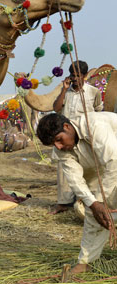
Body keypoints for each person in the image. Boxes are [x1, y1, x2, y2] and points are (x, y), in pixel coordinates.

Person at [37, 112, 117, 274]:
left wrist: (100, 200)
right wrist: (94, 203)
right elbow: (75, 180)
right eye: (54, 144)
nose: (58, 146)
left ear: (67, 127)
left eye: (59, 140)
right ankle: (86, 262)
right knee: (94, 212)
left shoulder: (95, 126)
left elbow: (114, 161)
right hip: (100, 169)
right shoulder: (61, 150)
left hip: (113, 160)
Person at [51, 60, 104, 214]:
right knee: (64, 169)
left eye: (77, 76)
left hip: (85, 135)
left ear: (85, 75)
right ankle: (63, 203)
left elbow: (98, 111)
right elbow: (56, 109)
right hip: (66, 135)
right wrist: (63, 89)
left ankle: (89, 201)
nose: (74, 78)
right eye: (72, 75)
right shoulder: (66, 93)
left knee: (89, 167)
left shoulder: (93, 92)